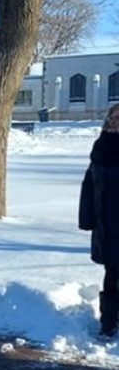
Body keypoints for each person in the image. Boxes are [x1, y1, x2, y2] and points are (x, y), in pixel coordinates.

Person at [79, 102, 119, 339]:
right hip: (106, 224)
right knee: (111, 274)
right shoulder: (101, 147)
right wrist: (87, 217)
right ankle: (108, 322)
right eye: (112, 118)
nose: (114, 122)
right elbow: (89, 185)